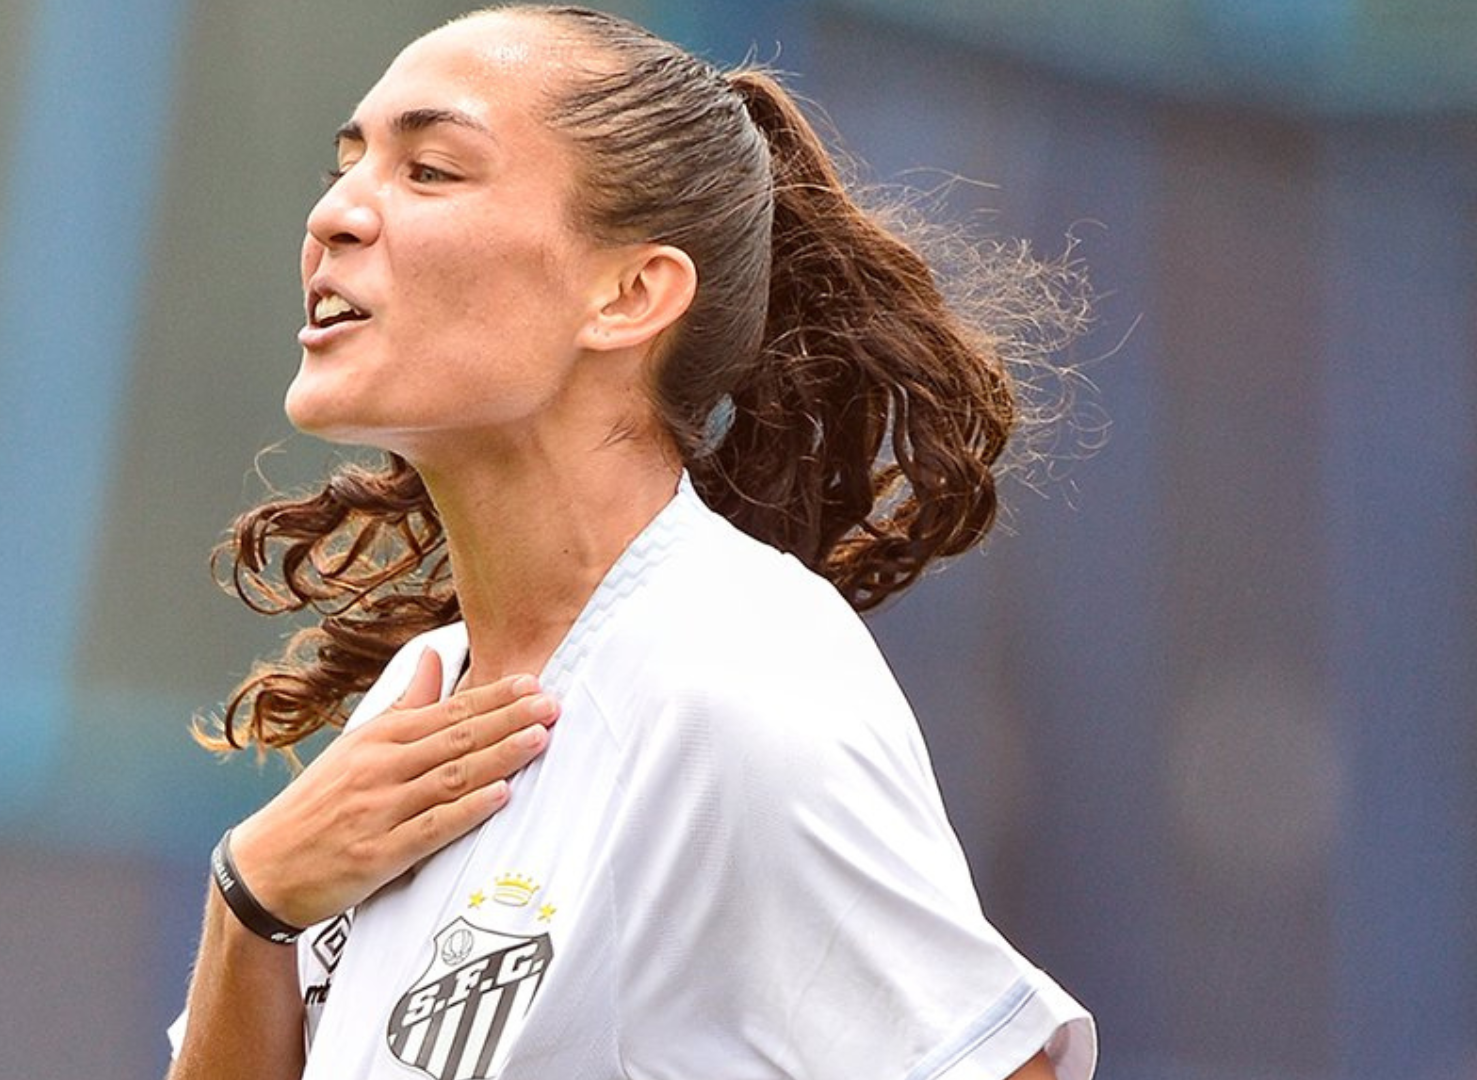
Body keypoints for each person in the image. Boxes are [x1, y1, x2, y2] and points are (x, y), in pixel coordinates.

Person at [168, 5, 1096, 1079]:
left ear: (630, 293)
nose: (334, 214)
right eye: (348, 164)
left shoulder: (734, 679)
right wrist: (250, 902)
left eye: (430, 170)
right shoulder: (423, 695)